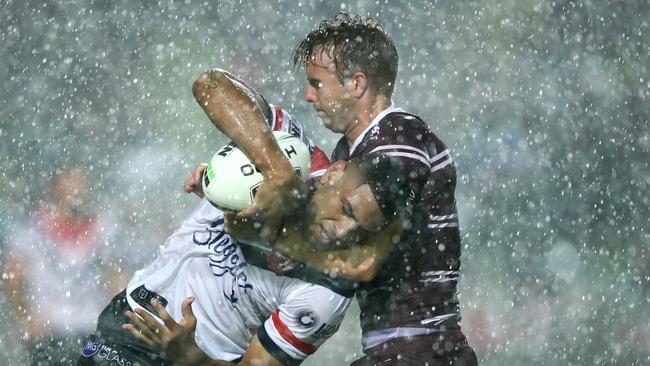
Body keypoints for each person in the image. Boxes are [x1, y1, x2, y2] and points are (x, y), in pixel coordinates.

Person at [79, 70, 399, 366]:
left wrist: (191, 356)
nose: (342, 231)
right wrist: (276, 171)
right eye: (346, 210)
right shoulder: (291, 150)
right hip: (132, 321)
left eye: (360, 230)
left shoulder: (328, 292)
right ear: (334, 173)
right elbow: (211, 84)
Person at [290, 13, 478, 365]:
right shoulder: (352, 151)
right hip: (402, 351)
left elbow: (360, 258)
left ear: (356, 85)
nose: (307, 95)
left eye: (316, 83)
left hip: (421, 351)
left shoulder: (397, 139)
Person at [3, 167, 124, 366]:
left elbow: (116, 277)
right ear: (55, 187)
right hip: (49, 330)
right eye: (69, 182)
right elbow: (12, 277)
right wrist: (26, 317)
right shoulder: (35, 228)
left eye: (80, 182)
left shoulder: (103, 229)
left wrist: (117, 322)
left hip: (91, 328)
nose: (75, 189)